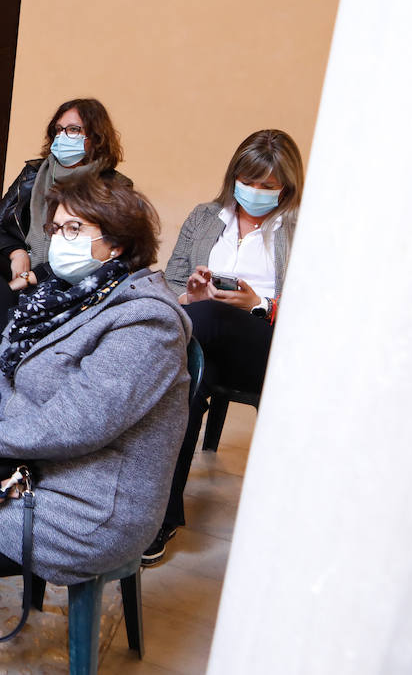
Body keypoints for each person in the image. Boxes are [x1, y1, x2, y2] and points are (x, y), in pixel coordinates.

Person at [0, 173, 188, 607]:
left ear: (117, 244)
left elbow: (74, 425)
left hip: (82, 507)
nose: (61, 239)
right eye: (57, 229)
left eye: (75, 229)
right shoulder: (55, 297)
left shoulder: (146, 323)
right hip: (22, 468)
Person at [143, 129, 304, 565]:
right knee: (190, 378)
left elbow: (317, 308)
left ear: (286, 187)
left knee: (199, 331)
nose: (255, 192)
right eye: (247, 181)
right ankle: (161, 515)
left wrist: (258, 304)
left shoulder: (302, 226)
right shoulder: (205, 216)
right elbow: (171, 280)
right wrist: (190, 296)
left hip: (267, 345)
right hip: (203, 339)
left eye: (268, 186)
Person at [0, 97, 127, 392]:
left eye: (73, 130)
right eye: (58, 130)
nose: (62, 137)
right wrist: (18, 254)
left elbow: (97, 254)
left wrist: (38, 275)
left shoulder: (115, 187)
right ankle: (11, 353)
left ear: (95, 137)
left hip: (62, 277)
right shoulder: (34, 174)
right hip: (21, 267)